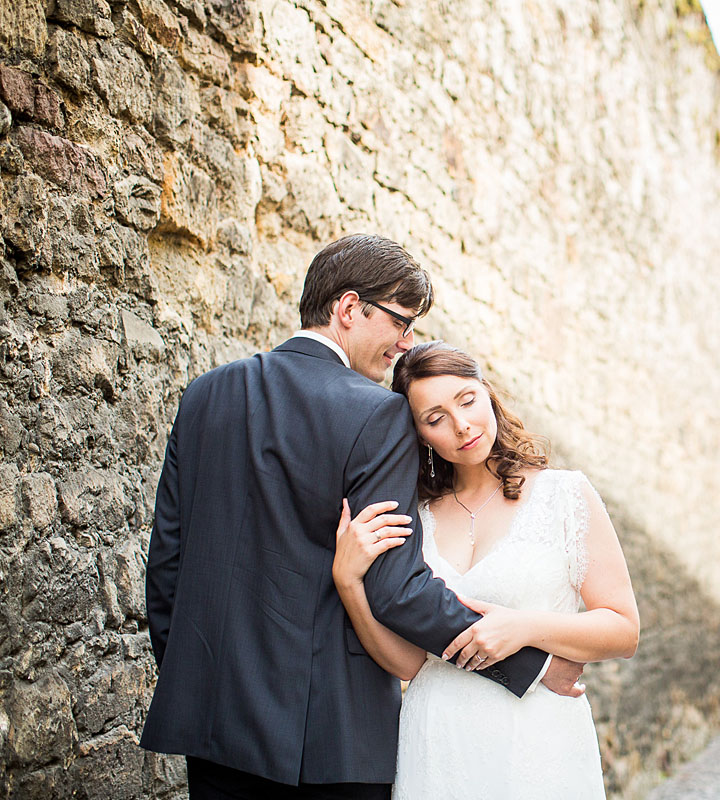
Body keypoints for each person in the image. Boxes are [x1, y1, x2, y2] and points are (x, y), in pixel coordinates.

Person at [141, 234, 583, 799]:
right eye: (402, 322)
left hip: (212, 726)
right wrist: (528, 665)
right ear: (349, 309)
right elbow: (396, 588)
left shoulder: (205, 395)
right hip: (331, 735)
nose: (406, 342)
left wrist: (196, 680)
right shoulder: (377, 416)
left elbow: (168, 566)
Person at [332, 341, 640, 800]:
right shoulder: (416, 517)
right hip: (436, 741)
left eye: (467, 400)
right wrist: (349, 583)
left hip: (537, 739)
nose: (461, 426)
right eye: (435, 419)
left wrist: (524, 627)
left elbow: (623, 631)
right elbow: (410, 663)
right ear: (419, 435)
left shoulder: (565, 494)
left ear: (487, 392)